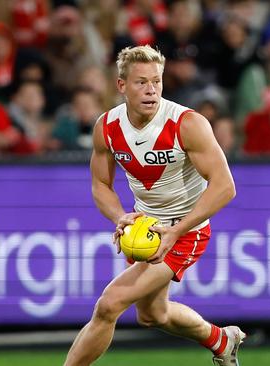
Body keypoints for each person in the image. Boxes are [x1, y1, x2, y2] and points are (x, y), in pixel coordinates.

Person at [64, 45, 244, 366]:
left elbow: (225, 187)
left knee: (110, 304)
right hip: (147, 230)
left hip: (186, 228)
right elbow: (100, 185)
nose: (151, 91)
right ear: (121, 86)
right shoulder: (107, 127)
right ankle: (221, 340)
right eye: (141, 82)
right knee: (152, 314)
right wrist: (120, 215)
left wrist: (176, 231)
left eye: (157, 82)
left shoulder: (186, 124)